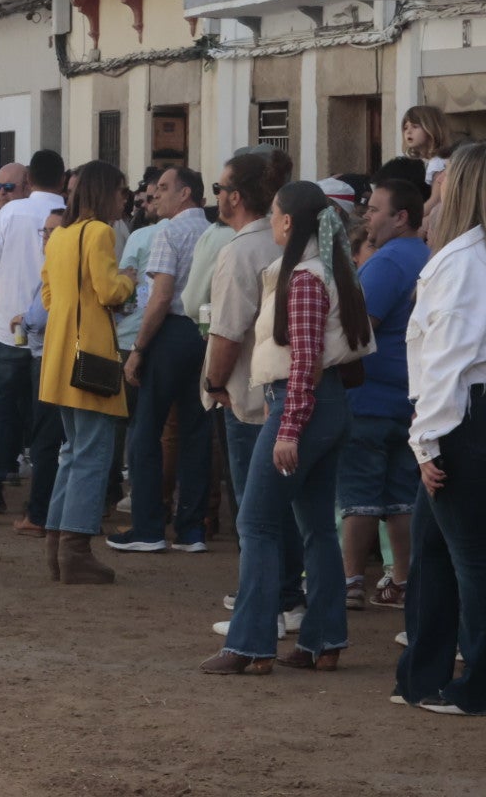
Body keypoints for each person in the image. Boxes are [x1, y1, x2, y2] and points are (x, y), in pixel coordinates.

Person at [390, 142, 486, 715]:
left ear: (462, 184)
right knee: (434, 547)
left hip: (465, 414)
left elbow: (446, 358)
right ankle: (422, 675)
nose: (437, 184)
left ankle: (484, 685)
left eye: (445, 176)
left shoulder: (466, 260)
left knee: (469, 553)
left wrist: (426, 440)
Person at [201, 180, 371, 676]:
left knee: (256, 523)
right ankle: (323, 639)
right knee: (316, 526)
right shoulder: (333, 271)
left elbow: (304, 363)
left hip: (302, 406)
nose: (270, 220)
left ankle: (250, 643)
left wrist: (290, 429)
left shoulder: (304, 278)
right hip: (328, 405)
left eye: (274, 213)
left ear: (289, 222)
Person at [202, 150, 305, 626]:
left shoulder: (241, 250)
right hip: (294, 392)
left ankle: (265, 604)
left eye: (220, 188)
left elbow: (227, 331)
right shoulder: (294, 242)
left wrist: (213, 382)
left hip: (248, 394)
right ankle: (286, 597)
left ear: (236, 197)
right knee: (289, 510)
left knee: (253, 511)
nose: (217, 196)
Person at [37, 161, 135, 584]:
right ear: (104, 192)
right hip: (91, 355)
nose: (125, 198)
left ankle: (58, 545)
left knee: (73, 452)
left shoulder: (59, 235)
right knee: (93, 455)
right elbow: (109, 289)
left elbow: (46, 294)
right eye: (120, 190)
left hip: (59, 356)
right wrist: (129, 280)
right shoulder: (100, 233)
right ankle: (74, 548)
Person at [110, 167, 213, 554]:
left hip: (171, 330)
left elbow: (159, 295)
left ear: (186, 193)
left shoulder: (169, 232)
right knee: (196, 430)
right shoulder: (213, 231)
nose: (156, 196)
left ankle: (148, 525)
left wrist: (138, 348)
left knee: (145, 429)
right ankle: (191, 528)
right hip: (204, 332)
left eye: (165, 189)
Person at [0, 152, 68, 525]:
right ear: (63, 178)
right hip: (54, 329)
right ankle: (41, 505)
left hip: (6, 326)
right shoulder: (71, 216)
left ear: (28, 181)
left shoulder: (12, 213)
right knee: (46, 420)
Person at [340, 179, 430, 610]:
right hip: (413, 398)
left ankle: (351, 581)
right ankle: (402, 579)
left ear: (402, 217)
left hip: (371, 397)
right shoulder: (431, 255)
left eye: (375, 210)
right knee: (400, 497)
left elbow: (360, 328)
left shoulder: (387, 262)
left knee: (359, 495)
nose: (366, 217)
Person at [401, 105, 452, 191]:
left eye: (415, 126)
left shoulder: (437, 163)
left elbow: (436, 199)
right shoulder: (420, 163)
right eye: (405, 128)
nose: (408, 132)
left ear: (431, 129)